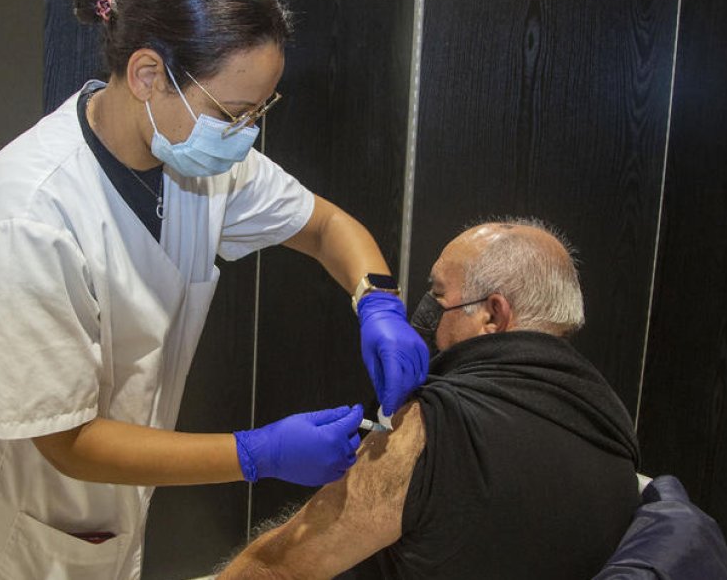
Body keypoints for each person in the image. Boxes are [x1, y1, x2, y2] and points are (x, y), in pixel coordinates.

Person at [0, 0, 428, 580]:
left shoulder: (194, 160)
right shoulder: (26, 217)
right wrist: (257, 453)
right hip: (7, 535)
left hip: (106, 517)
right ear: (149, 75)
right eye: (232, 113)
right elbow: (67, 440)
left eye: (259, 112)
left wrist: (377, 302)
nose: (244, 135)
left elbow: (325, 228)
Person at [219, 218, 641, 579]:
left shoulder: (434, 427)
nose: (425, 312)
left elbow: (280, 568)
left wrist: (256, 453)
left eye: (438, 295)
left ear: (492, 314)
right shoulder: (616, 433)